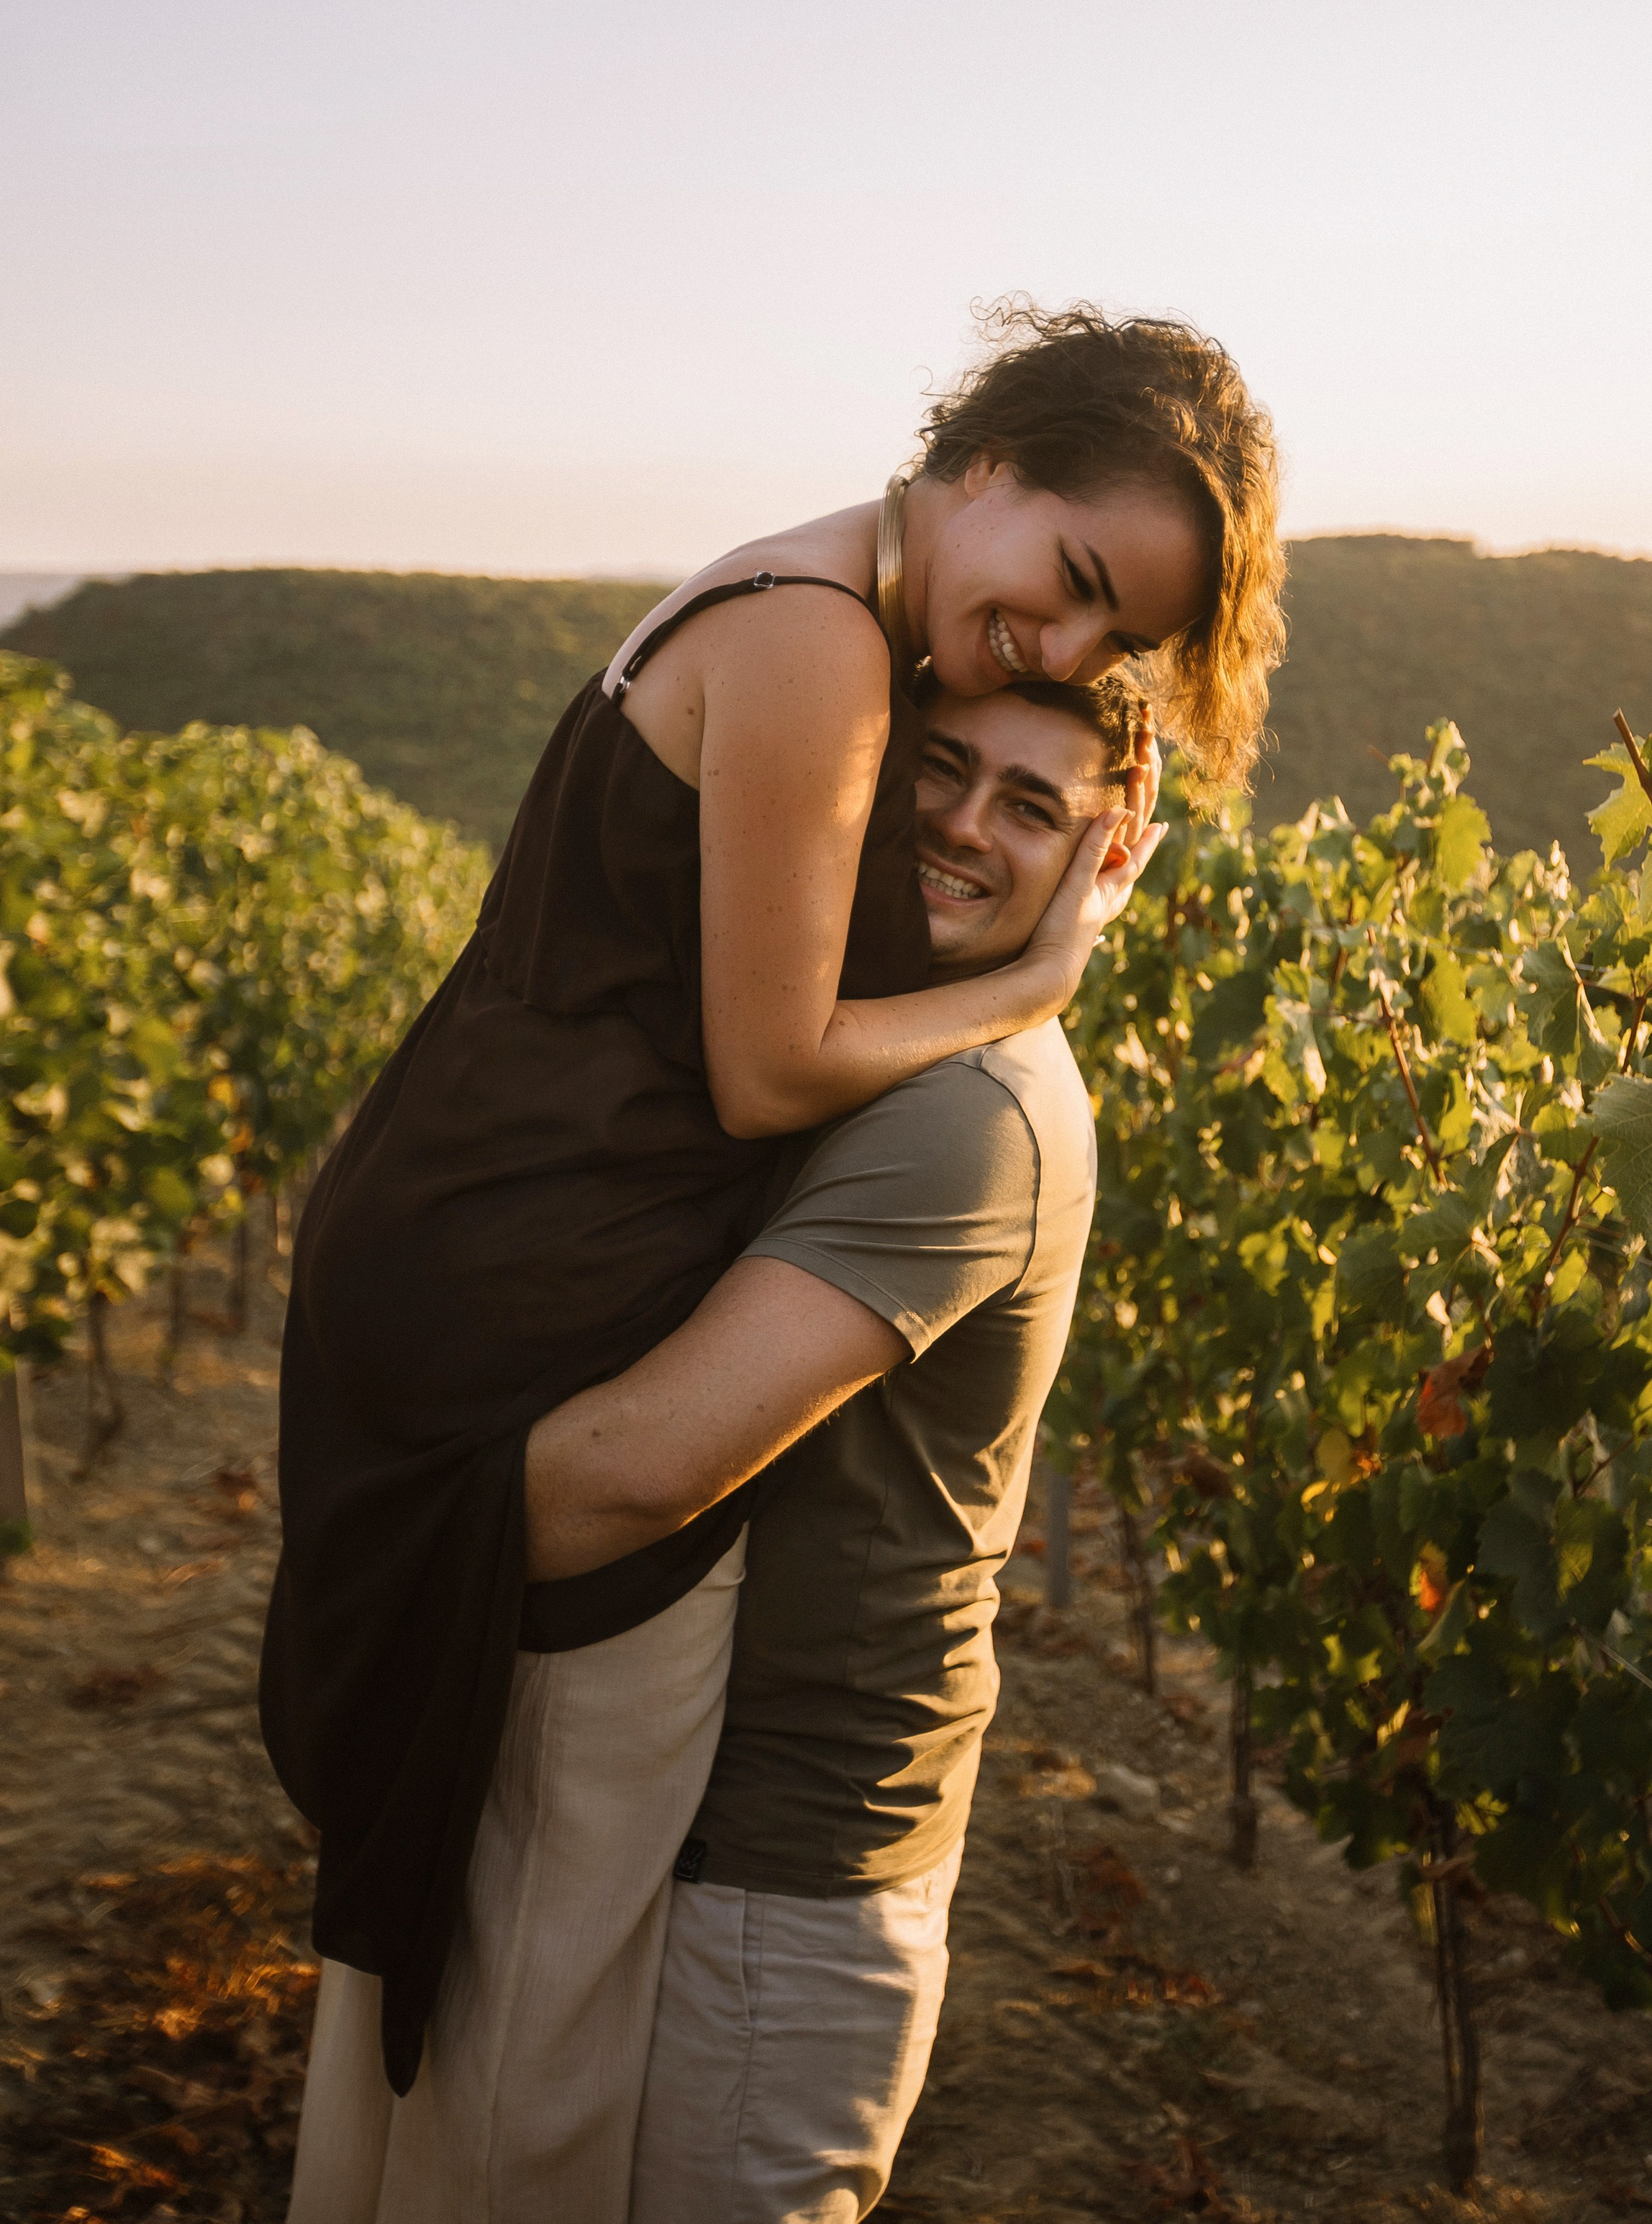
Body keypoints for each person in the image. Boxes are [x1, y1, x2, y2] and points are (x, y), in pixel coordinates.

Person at [263, 303, 1285, 2121]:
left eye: (1105, 632)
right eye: (1063, 578)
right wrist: (1038, 974)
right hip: (516, 1286)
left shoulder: (786, 588)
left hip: (449, 1228)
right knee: (527, 2034)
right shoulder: (823, 640)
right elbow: (770, 1065)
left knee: (477, 2004)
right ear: (981, 457)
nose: (1057, 640)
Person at [289, 670, 1139, 2223]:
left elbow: (636, 1470)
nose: (960, 823)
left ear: (1109, 851)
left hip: (789, 1871)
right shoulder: (856, 1040)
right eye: (939, 770)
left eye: (1030, 803)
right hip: (704, 1828)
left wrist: (375, 1509)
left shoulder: (970, 1115)